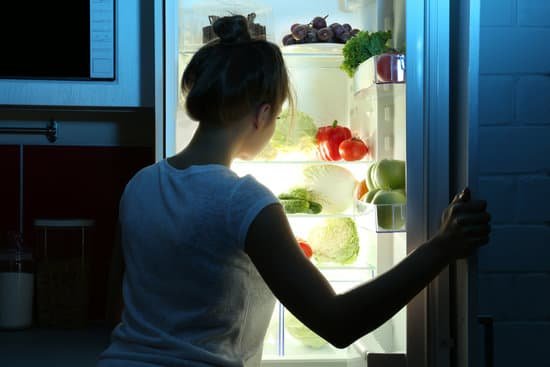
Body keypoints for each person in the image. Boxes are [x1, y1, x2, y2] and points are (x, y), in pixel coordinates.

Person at [97, 15, 491, 367]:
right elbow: (338, 323)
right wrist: (440, 247)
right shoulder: (244, 201)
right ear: (263, 113)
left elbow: (117, 308)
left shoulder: (140, 184)